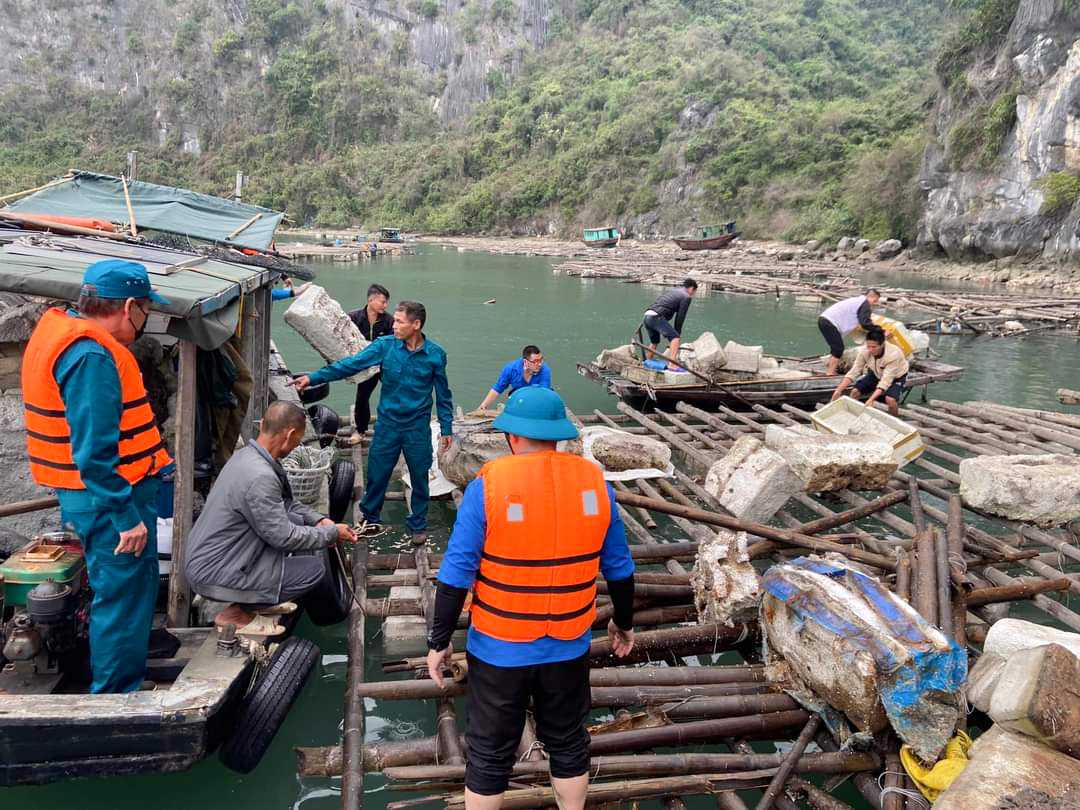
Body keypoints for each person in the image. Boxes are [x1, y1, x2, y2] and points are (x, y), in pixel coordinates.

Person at [426, 387, 636, 810]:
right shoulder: (597, 485)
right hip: (568, 646)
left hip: (500, 648)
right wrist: (623, 623)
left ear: (513, 437)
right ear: (557, 436)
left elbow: (455, 576)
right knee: (568, 742)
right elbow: (620, 569)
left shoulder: (488, 486)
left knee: (488, 753)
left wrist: (438, 641)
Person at [22, 259, 173, 693]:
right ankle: (116, 694)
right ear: (129, 307)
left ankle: (121, 675)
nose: (145, 320)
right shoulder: (90, 355)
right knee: (121, 594)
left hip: (98, 495)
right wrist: (124, 515)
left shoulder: (58, 330)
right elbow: (93, 451)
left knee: (125, 587)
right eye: (146, 310)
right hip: (109, 499)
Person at [184, 401, 356, 634]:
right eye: (297, 441)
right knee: (314, 569)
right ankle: (235, 612)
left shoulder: (247, 457)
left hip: (210, 559)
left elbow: (286, 504)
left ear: (263, 424)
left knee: (297, 519)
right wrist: (332, 533)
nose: (296, 447)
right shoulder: (260, 478)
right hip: (215, 572)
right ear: (290, 434)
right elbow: (284, 538)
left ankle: (257, 598)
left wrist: (317, 520)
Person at [291, 301, 453, 541]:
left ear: (416, 324)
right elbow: (350, 365)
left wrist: (447, 429)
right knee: (378, 473)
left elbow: (443, 395)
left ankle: (417, 523)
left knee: (420, 477)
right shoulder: (385, 346)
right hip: (388, 425)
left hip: (417, 428)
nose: (394, 325)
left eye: (399, 321)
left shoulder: (436, 355)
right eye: (395, 320)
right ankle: (370, 519)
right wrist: (313, 377)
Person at [830, 325, 909, 416]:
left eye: (874, 347)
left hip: (896, 376)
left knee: (890, 400)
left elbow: (885, 381)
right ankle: (852, 415)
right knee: (855, 392)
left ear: (882, 344)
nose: (870, 350)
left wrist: (871, 399)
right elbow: (854, 371)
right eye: (868, 346)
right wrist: (838, 390)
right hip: (876, 372)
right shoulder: (864, 351)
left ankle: (895, 420)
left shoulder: (893, 354)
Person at [347, 284, 394, 434]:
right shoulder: (353, 317)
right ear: (370, 300)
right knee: (362, 397)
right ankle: (361, 431)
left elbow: (393, 344)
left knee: (394, 392)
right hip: (366, 364)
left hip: (385, 364)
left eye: (386, 302)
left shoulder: (389, 320)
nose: (385, 305)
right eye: (383, 301)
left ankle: (391, 425)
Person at [818, 289, 881, 376]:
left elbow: (860, 322)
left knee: (836, 347)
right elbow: (865, 323)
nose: (874, 303)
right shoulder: (864, 303)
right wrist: (881, 330)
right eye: (875, 301)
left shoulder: (857, 301)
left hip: (825, 320)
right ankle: (830, 373)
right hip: (830, 322)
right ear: (871, 297)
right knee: (838, 349)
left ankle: (831, 368)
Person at [475, 345, 551, 411]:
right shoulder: (510, 368)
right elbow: (498, 388)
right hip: (518, 397)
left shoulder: (545, 370)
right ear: (525, 362)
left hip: (537, 396)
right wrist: (484, 405)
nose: (540, 364)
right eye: (535, 361)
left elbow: (543, 393)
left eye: (541, 360)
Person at [643, 278, 697, 370]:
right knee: (675, 338)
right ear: (692, 288)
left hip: (647, 315)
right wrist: (677, 333)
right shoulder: (686, 296)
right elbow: (680, 316)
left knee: (654, 342)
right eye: (694, 291)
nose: (693, 294)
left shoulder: (674, 291)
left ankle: (647, 362)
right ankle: (672, 364)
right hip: (656, 316)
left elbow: (660, 302)